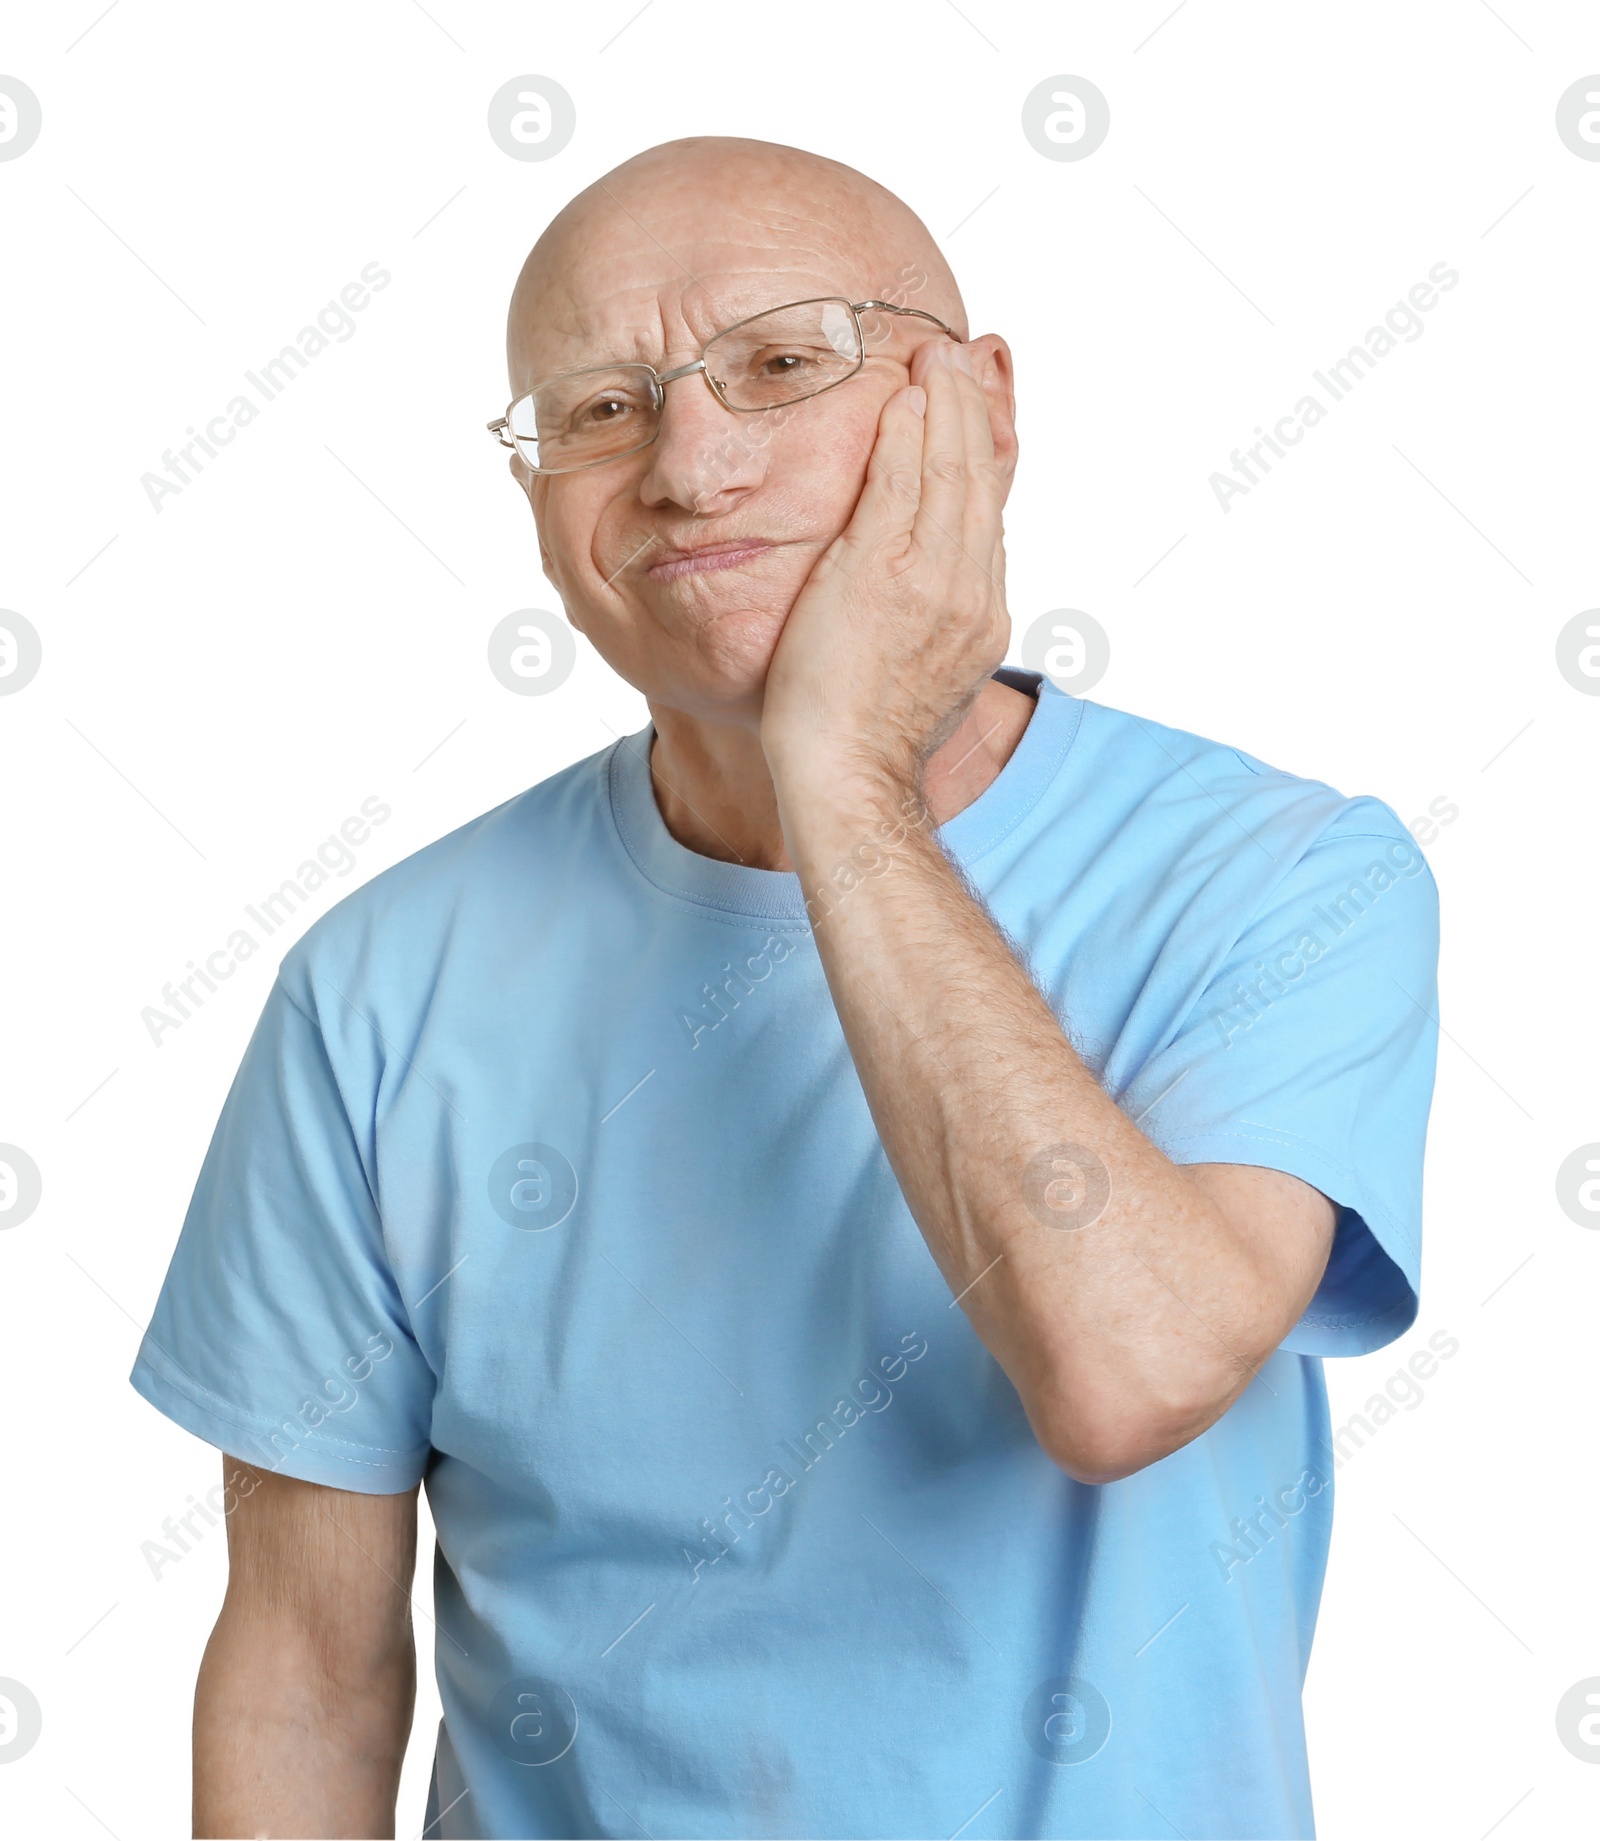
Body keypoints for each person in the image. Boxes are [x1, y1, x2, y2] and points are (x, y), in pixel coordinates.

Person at [132, 136, 1440, 1840]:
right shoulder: (374, 989)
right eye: (599, 409)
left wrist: (840, 775)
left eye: (780, 364)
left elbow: (1127, 1369)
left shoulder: (1284, 879)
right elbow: (308, 1670)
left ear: (978, 412)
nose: (687, 464)